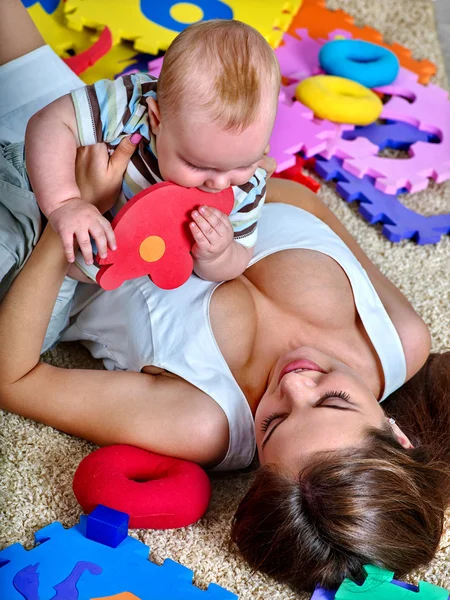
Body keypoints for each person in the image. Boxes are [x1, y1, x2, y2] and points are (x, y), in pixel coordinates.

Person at [0, 0, 449, 594]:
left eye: (276, 423)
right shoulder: (402, 338)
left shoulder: (202, 423)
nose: (293, 383)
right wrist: (217, 184)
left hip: (38, 241)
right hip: (124, 148)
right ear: (396, 432)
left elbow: (14, 376)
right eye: (335, 401)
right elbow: (300, 201)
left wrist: (73, 213)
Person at [25, 18, 280, 283]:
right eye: (197, 166)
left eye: (243, 164)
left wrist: (218, 256)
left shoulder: (248, 186)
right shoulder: (133, 106)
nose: (219, 182)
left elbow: (241, 254)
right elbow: (49, 123)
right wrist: (64, 202)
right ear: (157, 120)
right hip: (33, 197)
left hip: (78, 277)